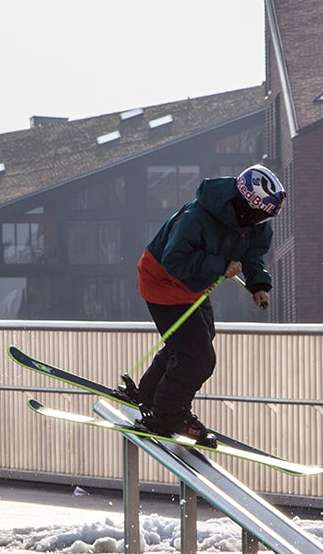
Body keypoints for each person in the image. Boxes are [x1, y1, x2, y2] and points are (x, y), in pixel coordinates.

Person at [119, 164, 287, 445]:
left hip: (194, 286)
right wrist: (220, 265)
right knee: (198, 357)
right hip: (162, 282)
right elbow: (174, 260)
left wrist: (258, 284)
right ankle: (167, 416)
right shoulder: (196, 217)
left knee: (196, 342)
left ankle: (147, 394)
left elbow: (253, 253)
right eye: (260, 216)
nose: (262, 222)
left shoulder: (255, 223)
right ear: (244, 206)